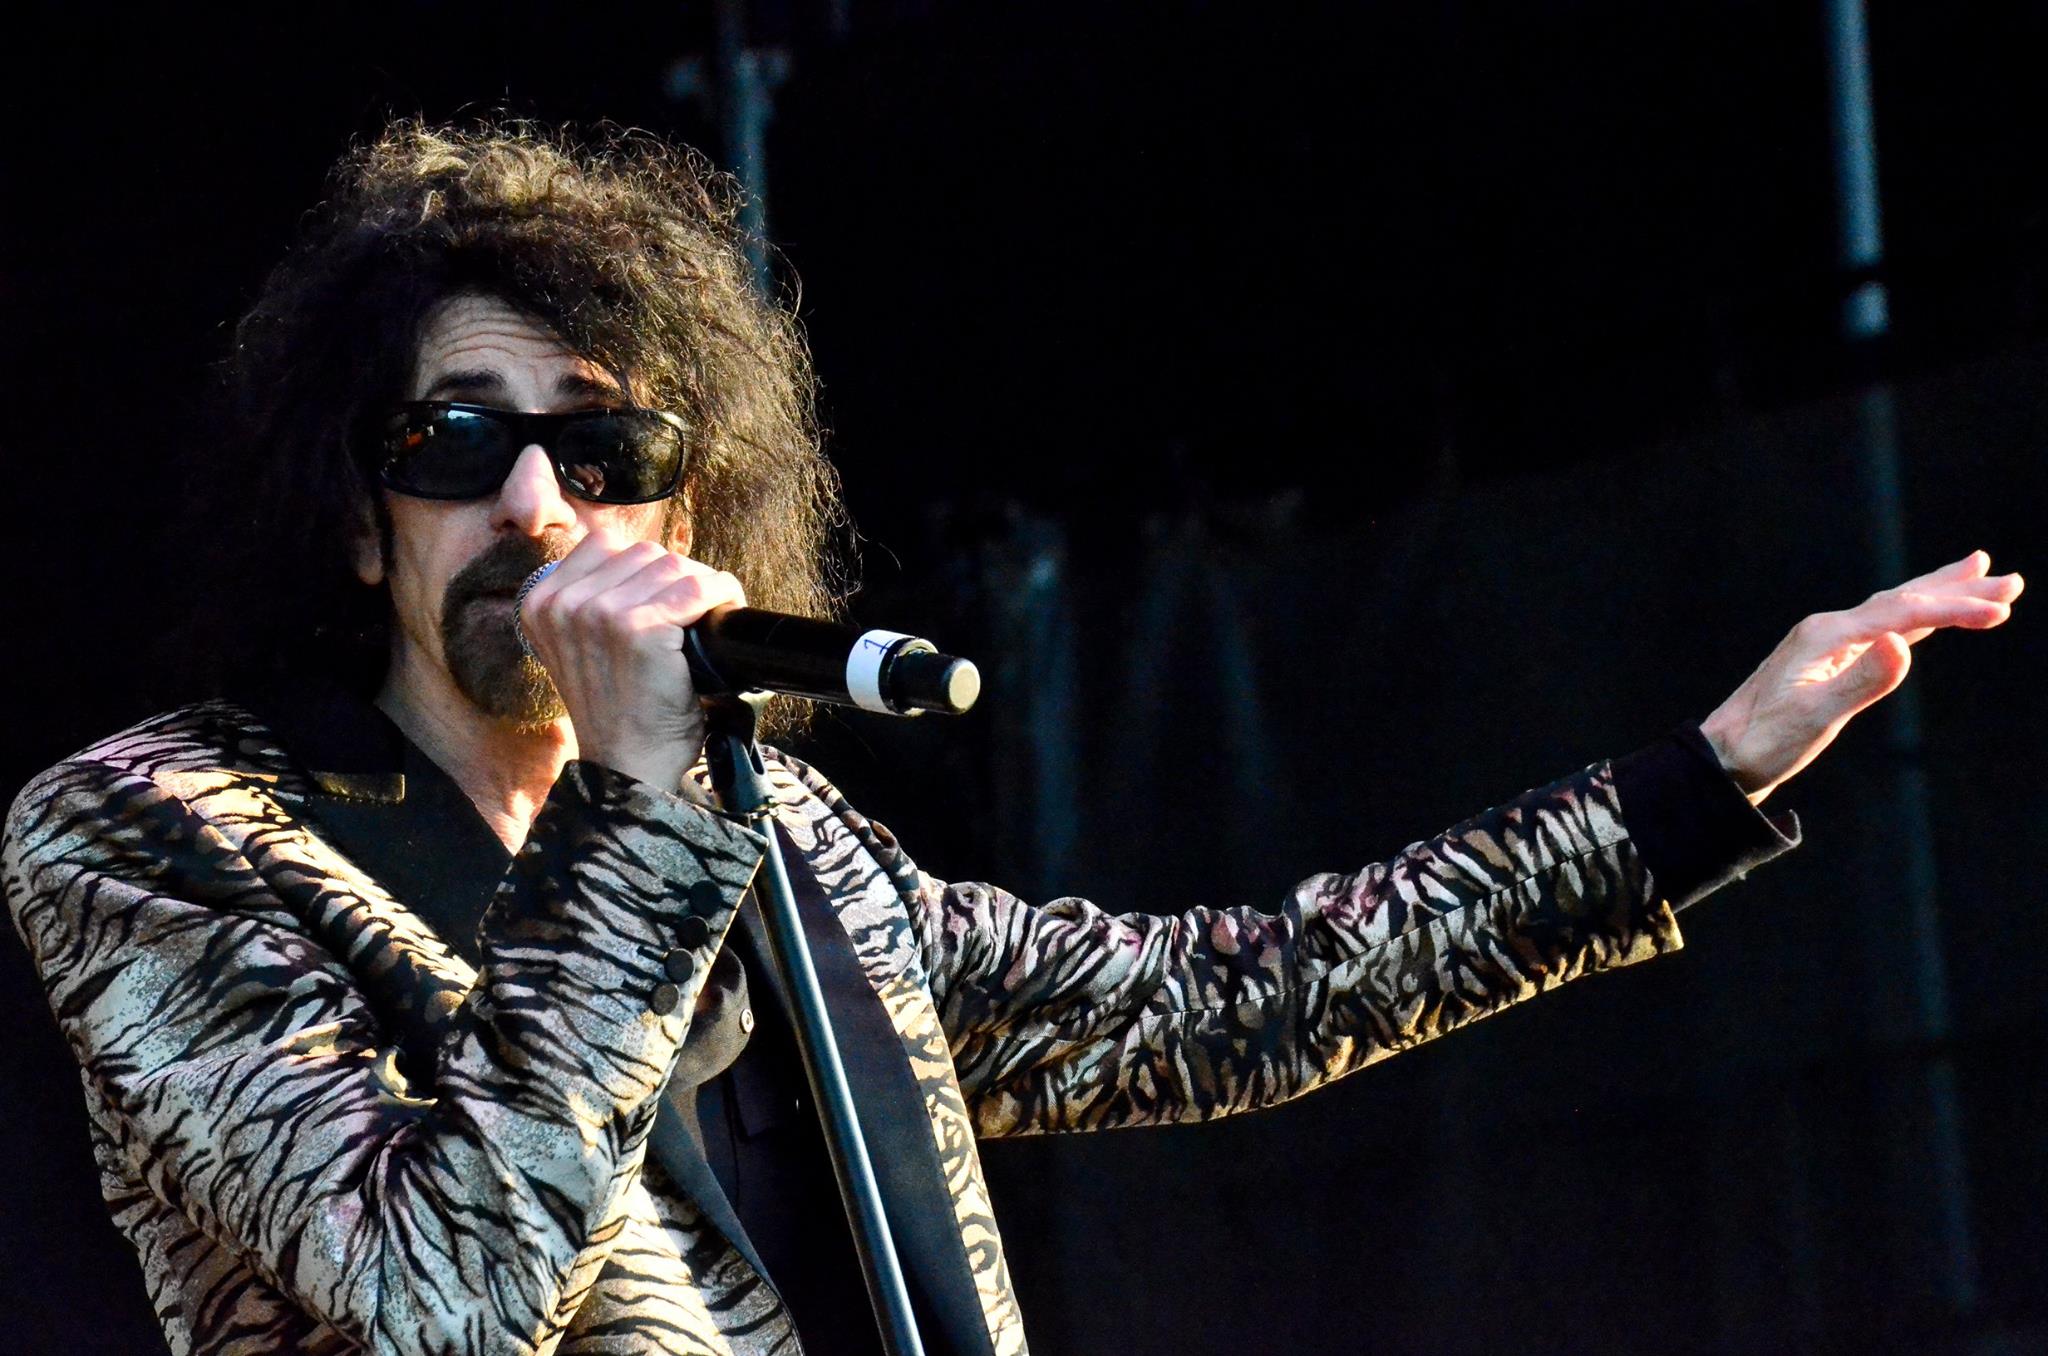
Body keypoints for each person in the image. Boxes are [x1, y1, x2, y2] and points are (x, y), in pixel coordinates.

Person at [2, 121, 2022, 1356]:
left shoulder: (777, 845)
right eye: (457, 446)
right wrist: (633, 812)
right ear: (362, 514)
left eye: (599, 446)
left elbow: (1230, 1000)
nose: (534, 510)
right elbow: (427, 1297)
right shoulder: (165, 833)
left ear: (684, 513)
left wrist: (1705, 775)